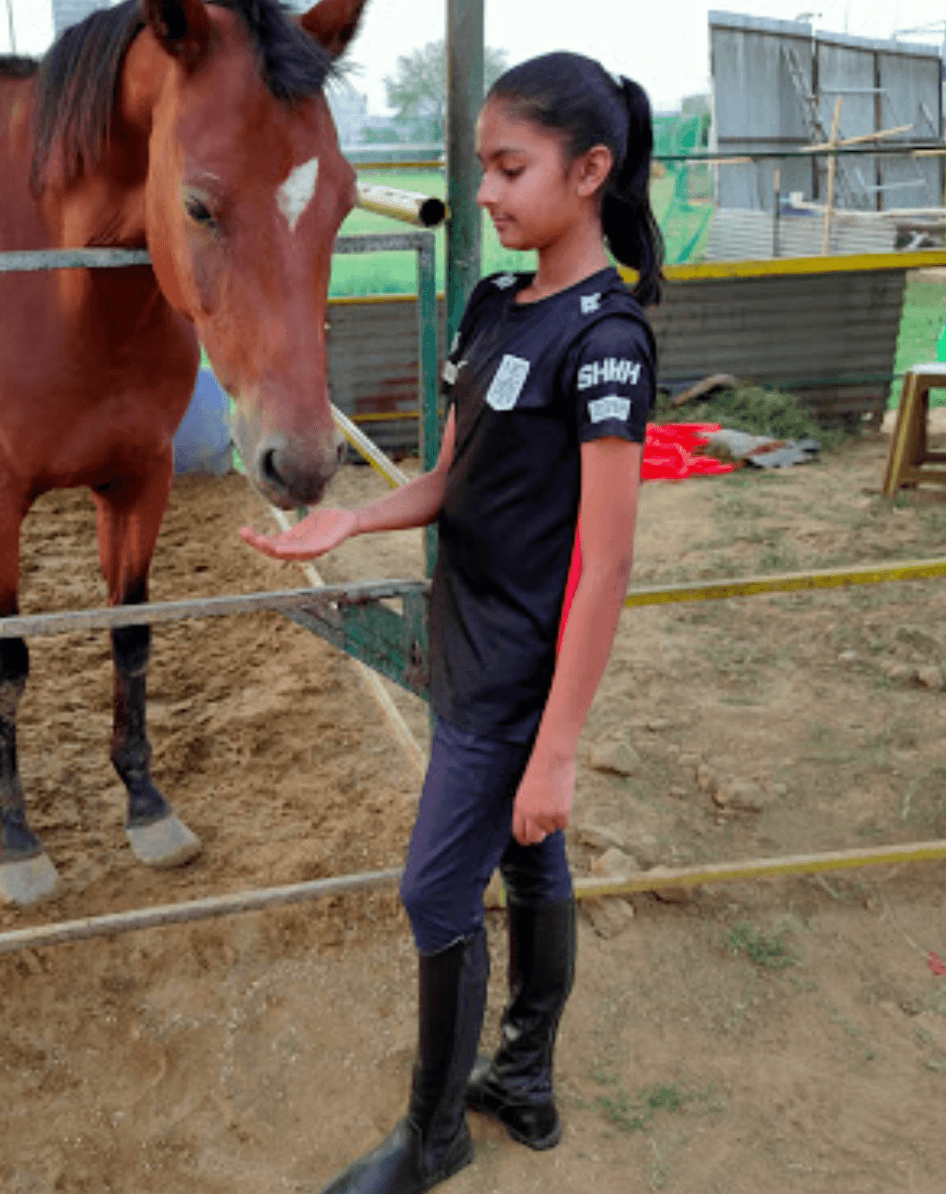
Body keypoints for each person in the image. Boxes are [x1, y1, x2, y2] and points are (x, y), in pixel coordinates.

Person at [240, 50, 664, 1194]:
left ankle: (432, 1138)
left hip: (518, 669)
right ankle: (522, 1080)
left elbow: (609, 561)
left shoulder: (606, 341)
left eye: (508, 168)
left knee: (436, 891)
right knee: (527, 863)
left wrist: (560, 746)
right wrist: (354, 522)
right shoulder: (494, 306)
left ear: (589, 171)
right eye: (482, 166)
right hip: (463, 637)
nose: (483, 191)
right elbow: (453, 476)